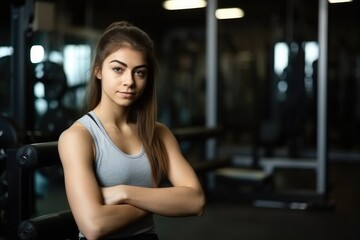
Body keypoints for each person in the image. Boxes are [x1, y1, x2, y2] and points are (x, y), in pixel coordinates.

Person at [58, 21, 205, 240]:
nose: (129, 81)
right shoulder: (78, 137)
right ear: (98, 70)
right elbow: (93, 226)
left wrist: (124, 192)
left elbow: (196, 201)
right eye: (118, 69)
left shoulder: (159, 133)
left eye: (140, 72)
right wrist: (162, 202)